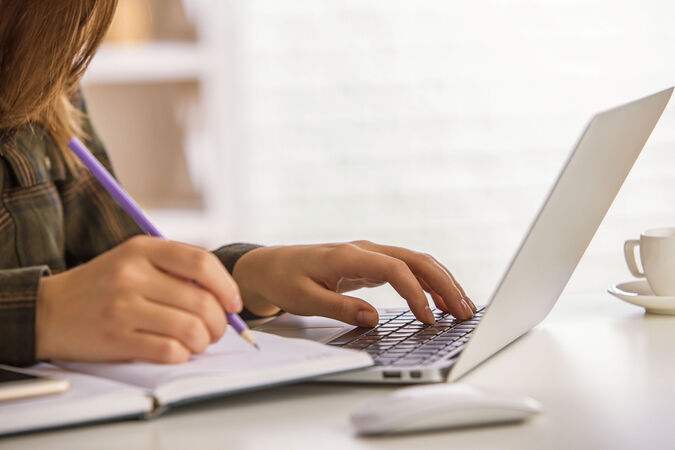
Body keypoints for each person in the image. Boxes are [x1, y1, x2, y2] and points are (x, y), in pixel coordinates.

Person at [0, 0, 475, 367]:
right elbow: (69, 305)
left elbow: (113, 275)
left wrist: (247, 276)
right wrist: (39, 314)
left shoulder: (37, 72)